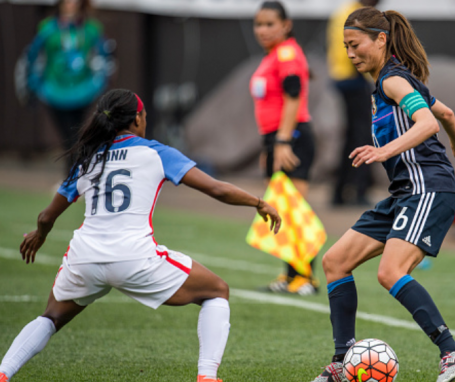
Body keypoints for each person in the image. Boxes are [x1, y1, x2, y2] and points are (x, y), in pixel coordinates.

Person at [0, 89, 281, 382]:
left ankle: (4, 372)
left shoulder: (89, 158)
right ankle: (207, 376)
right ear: (137, 119)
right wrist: (259, 202)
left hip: (85, 258)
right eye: (144, 116)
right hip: (135, 257)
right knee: (217, 291)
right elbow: (217, 189)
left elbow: (46, 216)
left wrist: (39, 235)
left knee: (51, 317)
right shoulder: (156, 152)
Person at [310, 7, 455, 382]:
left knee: (390, 272)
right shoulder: (387, 83)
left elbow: (426, 121)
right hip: (405, 192)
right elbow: (448, 114)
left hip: (428, 189)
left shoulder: (393, 81)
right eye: (345, 46)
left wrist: (384, 152)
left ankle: (452, 350)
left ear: (381, 39)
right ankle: (343, 362)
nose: (350, 53)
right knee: (335, 262)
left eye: (356, 45)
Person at [250, 1, 318, 295]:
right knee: (279, 209)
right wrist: (270, 144)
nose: (262, 30)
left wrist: (282, 140)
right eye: (258, 24)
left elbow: (294, 95)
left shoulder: (287, 52)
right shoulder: (272, 56)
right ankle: (290, 274)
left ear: (286, 25)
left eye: (269, 24)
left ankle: (306, 277)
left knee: (294, 209)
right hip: (275, 137)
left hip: (292, 137)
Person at [25, 0, 111, 174]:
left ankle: (72, 177)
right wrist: (34, 86)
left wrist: (98, 83)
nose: (70, 3)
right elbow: (33, 57)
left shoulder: (92, 29)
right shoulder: (47, 28)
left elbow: (105, 58)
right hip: (55, 91)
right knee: (69, 137)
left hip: (83, 91)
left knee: (76, 135)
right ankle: (72, 177)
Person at [327, 0, 380, 206]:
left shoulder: (345, 12)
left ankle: (341, 191)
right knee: (362, 136)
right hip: (352, 80)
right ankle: (356, 190)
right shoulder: (356, 15)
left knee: (353, 136)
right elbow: (351, 52)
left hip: (346, 79)